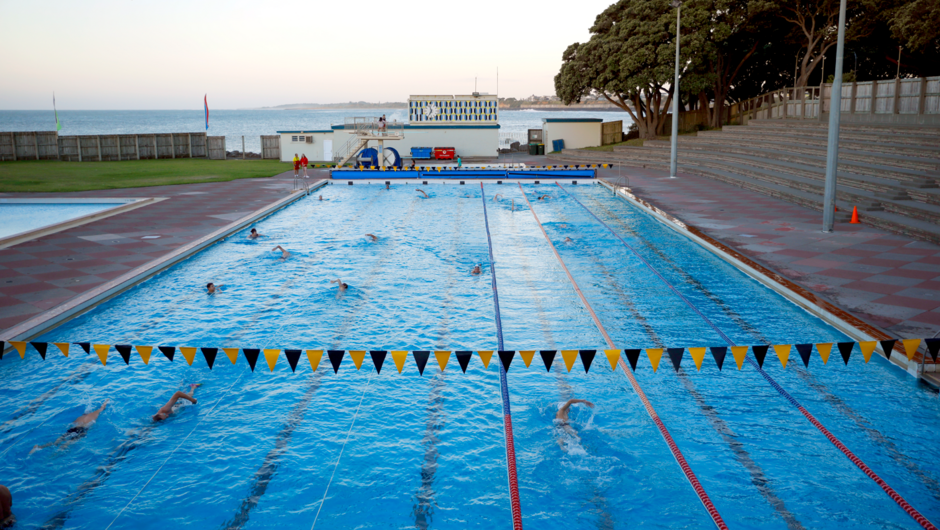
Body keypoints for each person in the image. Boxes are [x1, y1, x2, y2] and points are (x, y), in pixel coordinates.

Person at [29, 400, 109, 454]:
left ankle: (38, 447)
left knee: (57, 441)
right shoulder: (95, 414)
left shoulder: (80, 418)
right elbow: (102, 408)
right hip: (82, 430)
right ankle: (53, 456)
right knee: (67, 443)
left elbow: (72, 424)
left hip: (73, 428)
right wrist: (106, 401)